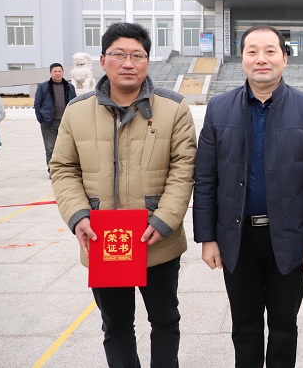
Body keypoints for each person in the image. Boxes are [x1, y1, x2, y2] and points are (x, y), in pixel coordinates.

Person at [50, 22, 196, 367]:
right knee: (115, 325)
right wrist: (78, 216)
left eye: (137, 56)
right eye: (119, 55)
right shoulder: (77, 111)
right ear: (103, 60)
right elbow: (63, 168)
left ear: (148, 61)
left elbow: (184, 168)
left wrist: (164, 220)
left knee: (165, 320)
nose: (128, 63)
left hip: (156, 238)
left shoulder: (174, 108)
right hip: (103, 238)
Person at [193, 24, 303, 368]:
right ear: (242, 58)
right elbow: (206, 178)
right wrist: (207, 238)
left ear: (284, 58)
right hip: (237, 236)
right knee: (245, 327)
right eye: (252, 51)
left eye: (270, 51)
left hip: (289, 237)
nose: (261, 59)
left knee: (284, 327)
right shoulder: (219, 108)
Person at [34, 62, 76, 173]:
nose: (57, 73)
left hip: (65, 123)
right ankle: (52, 171)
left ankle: (65, 170)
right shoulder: (43, 87)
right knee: (50, 148)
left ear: (63, 72)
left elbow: (74, 104)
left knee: (66, 148)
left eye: (59, 71)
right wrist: (41, 119)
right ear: (50, 73)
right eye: (55, 71)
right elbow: (37, 104)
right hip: (49, 123)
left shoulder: (69, 87)